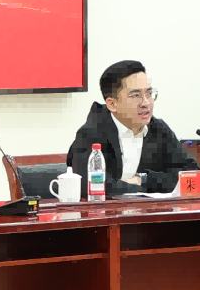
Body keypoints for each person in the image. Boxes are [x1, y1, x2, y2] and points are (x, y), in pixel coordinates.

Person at [67, 59, 189, 194]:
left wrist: (143, 180)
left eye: (149, 93)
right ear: (112, 104)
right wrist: (141, 189)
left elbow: (190, 175)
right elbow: (90, 184)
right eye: (135, 95)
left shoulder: (159, 130)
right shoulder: (91, 134)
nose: (146, 103)